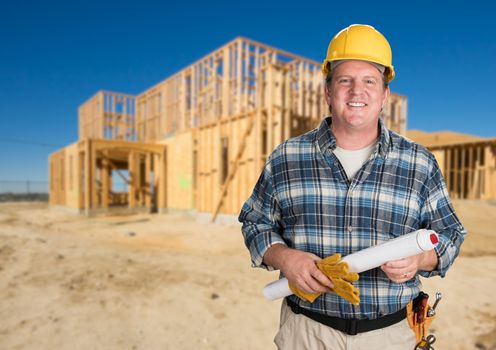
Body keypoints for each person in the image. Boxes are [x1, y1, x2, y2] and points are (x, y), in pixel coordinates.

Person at [238, 24, 466, 350]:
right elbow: (255, 222)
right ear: (328, 92)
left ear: (384, 95)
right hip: (307, 332)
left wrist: (421, 259)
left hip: (390, 335)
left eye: (370, 81)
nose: (357, 91)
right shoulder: (287, 157)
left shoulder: (419, 163)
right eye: (345, 80)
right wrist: (286, 258)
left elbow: (451, 234)